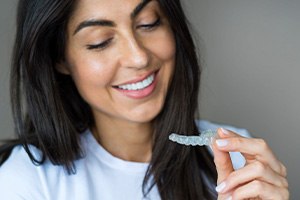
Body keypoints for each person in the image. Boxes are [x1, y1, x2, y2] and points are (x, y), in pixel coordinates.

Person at [0, 0, 289, 199]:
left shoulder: (239, 157)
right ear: (59, 58)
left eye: (149, 24)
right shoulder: (24, 182)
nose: (138, 57)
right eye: (100, 41)